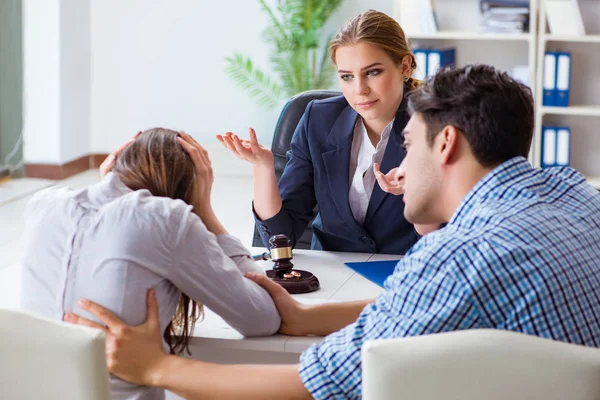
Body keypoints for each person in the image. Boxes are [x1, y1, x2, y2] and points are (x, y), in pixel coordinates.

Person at [69, 64, 600, 399]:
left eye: (410, 143)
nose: (399, 160)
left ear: (447, 145)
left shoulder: (462, 256)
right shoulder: (573, 191)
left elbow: (307, 386)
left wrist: (157, 368)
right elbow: (441, 304)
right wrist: (307, 318)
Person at [20, 128, 281, 400]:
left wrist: (110, 184)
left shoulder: (42, 204)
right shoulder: (165, 218)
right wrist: (204, 210)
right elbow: (262, 319)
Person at [217, 9, 437, 255]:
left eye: (373, 72)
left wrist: (419, 189)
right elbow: (281, 237)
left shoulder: (437, 125)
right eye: (346, 77)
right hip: (331, 276)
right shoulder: (318, 120)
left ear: (405, 67)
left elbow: (449, 239)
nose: (359, 89)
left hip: (407, 272)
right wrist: (263, 168)